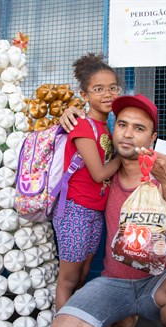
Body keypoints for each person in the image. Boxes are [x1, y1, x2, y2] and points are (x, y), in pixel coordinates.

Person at [50, 94, 166, 327]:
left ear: (152, 138)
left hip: (160, 280)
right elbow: (77, 139)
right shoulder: (102, 177)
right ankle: (124, 320)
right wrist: (68, 115)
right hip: (113, 283)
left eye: (139, 128)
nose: (128, 134)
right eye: (122, 125)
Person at [52, 53, 122, 311]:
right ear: (84, 95)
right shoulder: (83, 126)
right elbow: (100, 174)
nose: (108, 94)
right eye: (99, 89)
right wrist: (126, 156)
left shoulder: (106, 128)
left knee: (82, 275)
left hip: (94, 211)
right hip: (74, 210)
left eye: (112, 87)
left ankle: (76, 322)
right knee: (68, 280)